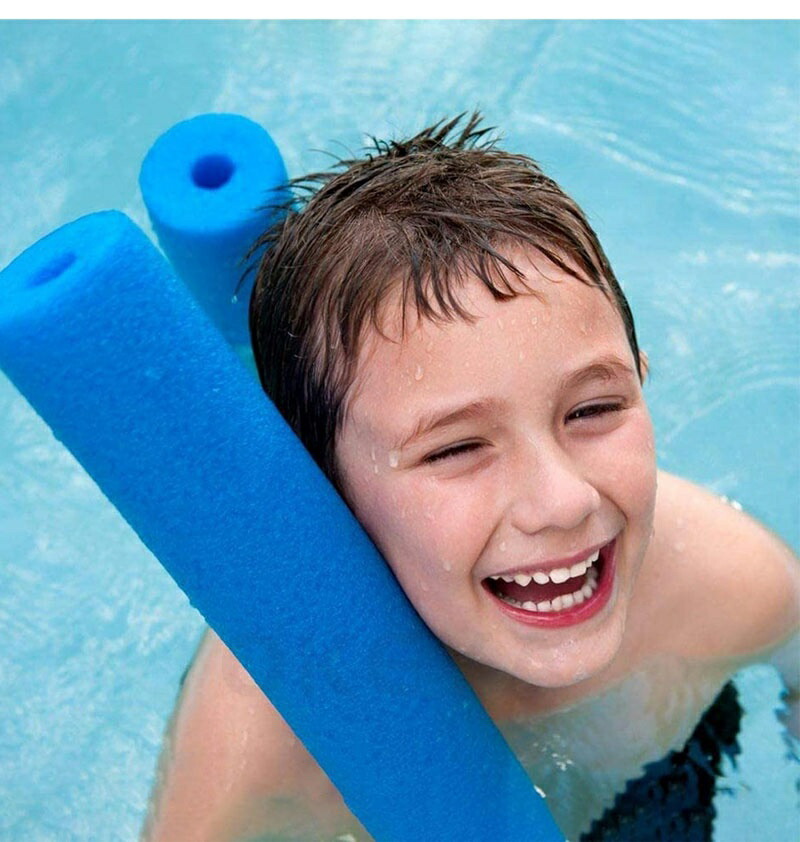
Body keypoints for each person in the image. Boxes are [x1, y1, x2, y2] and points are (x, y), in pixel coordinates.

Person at [141, 114, 799, 842]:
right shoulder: (268, 746)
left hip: (659, 789)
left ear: (641, 383)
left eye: (592, 409)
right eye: (456, 449)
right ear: (323, 497)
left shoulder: (727, 587)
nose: (562, 501)